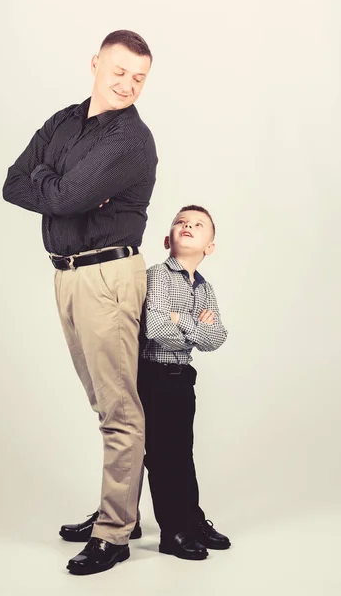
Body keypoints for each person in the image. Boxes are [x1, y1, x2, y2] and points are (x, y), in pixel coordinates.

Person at [2, 29, 158, 576]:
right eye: (119, 72)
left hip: (109, 276)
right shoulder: (64, 121)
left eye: (139, 77)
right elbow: (12, 182)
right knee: (103, 404)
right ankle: (123, 509)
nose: (128, 85)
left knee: (119, 409)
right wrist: (58, 182)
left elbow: (63, 197)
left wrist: (56, 185)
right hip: (68, 276)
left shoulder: (132, 141)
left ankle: (114, 533)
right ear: (96, 64)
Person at [137, 204, 231, 560]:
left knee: (182, 454)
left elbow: (217, 337)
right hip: (154, 375)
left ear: (209, 246)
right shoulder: (157, 276)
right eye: (180, 222)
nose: (188, 226)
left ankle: (192, 520)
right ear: (167, 239)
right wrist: (195, 325)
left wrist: (182, 318)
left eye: (198, 225)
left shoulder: (205, 289)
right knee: (161, 457)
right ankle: (172, 531)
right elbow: (156, 330)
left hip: (182, 381)